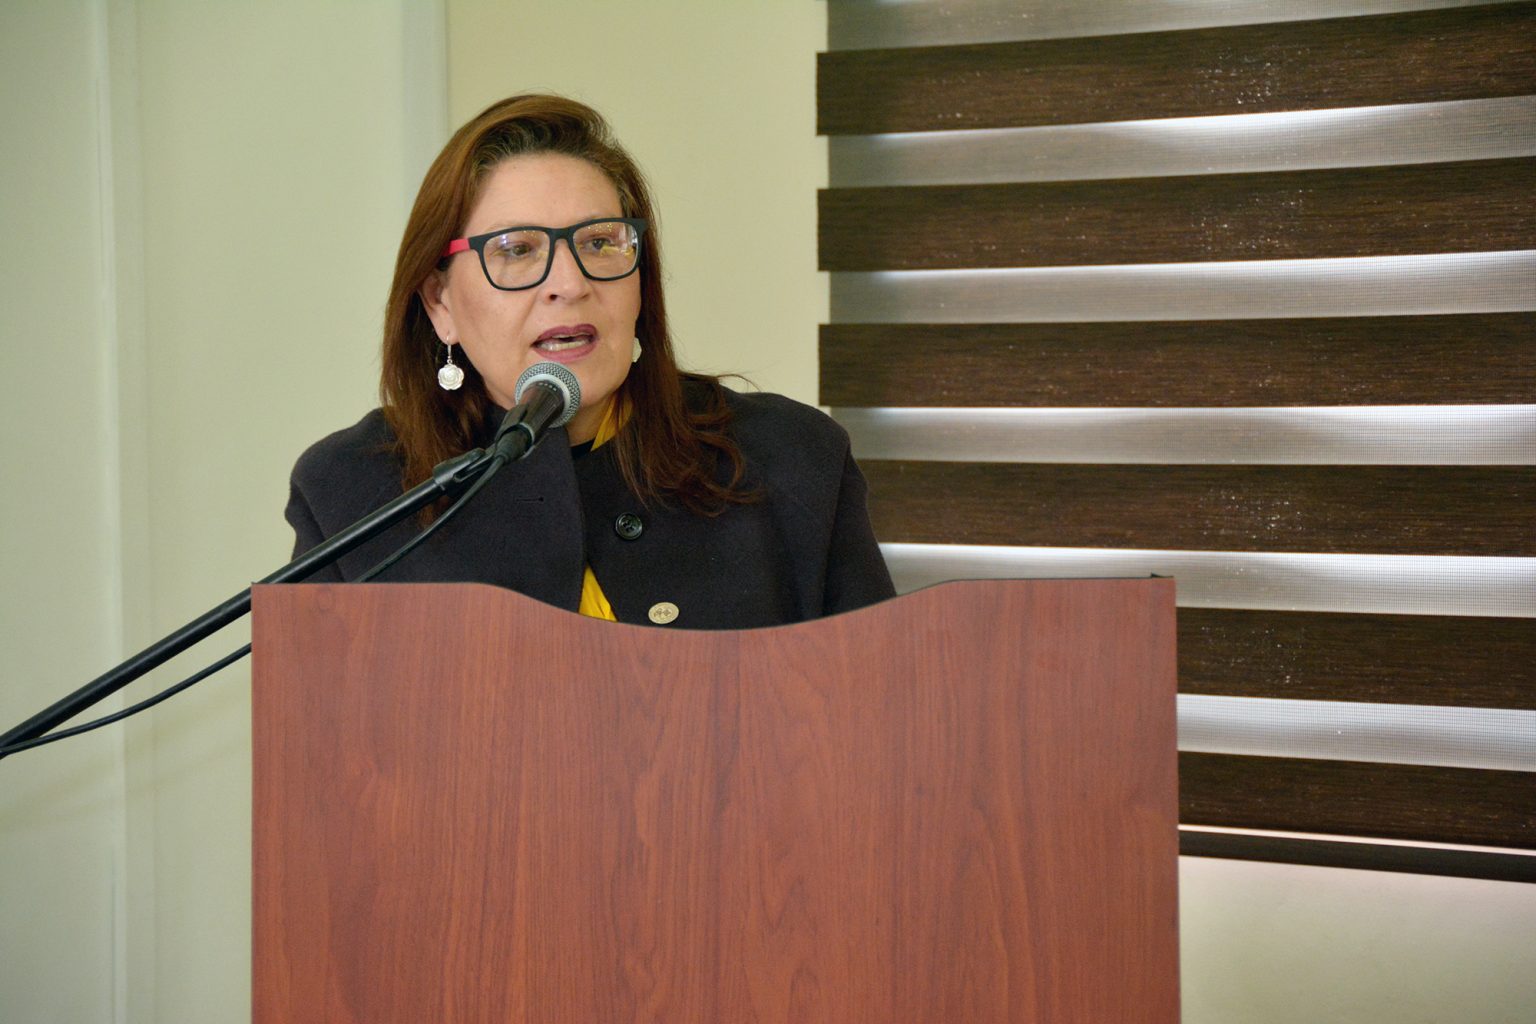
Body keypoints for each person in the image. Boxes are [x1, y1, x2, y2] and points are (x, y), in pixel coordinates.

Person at [286, 94, 894, 629]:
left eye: (601, 242)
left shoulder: (792, 458)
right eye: (517, 250)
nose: (570, 284)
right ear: (439, 303)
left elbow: (877, 710)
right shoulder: (350, 493)